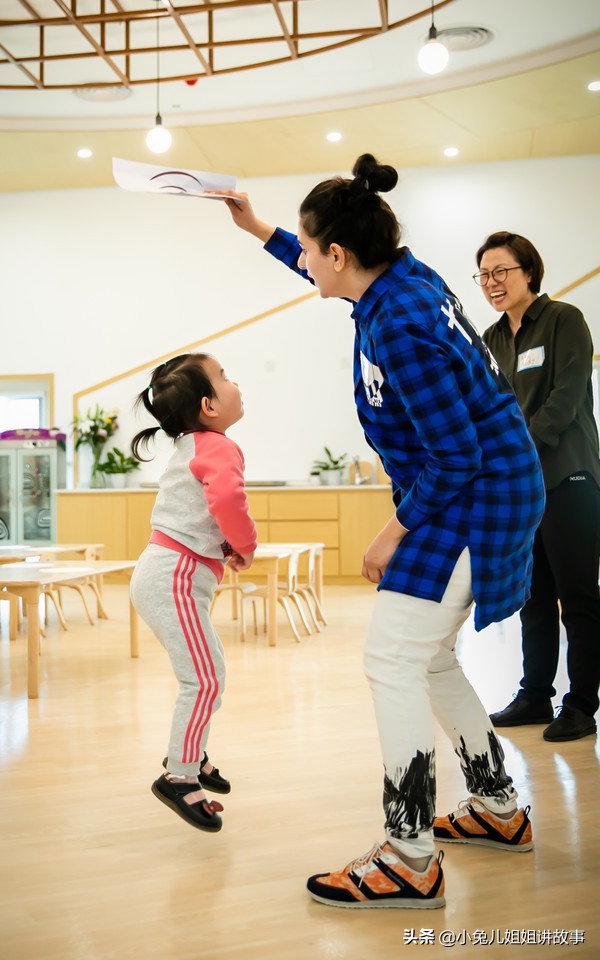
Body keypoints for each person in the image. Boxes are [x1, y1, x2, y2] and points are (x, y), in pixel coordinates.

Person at [213, 153, 545, 910]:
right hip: (485, 481)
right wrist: (259, 229)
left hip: (477, 491)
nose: (304, 259)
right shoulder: (398, 280)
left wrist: (388, 534)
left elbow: (455, 456)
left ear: (338, 252)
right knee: (422, 658)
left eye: (306, 245)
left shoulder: (396, 323)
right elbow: (334, 277)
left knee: (392, 656)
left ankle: (408, 854)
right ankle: (496, 808)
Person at [477, 231, 600, 742]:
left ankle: (581, 705)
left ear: (529, 271)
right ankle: (535, 695)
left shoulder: (563, 320)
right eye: (484, 275)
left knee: (578, 599)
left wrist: (515, 452)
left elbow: (565, 400)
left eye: (501, 271)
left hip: (568, 478)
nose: (492, 283)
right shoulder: (492, 339)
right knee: (533, 597)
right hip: (522, 490)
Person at [129, 352, 257, 833]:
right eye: (225, 376)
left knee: (205, 672)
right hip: (174, 576)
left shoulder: (194, 445)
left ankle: (192, 751)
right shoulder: (219, 446)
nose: (234, 381)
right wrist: (244, 544)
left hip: (168, 572)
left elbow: (202, 507)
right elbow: (226, 499)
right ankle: (180, 776)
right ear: (208, 405)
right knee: (203, 679)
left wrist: (222, 542)